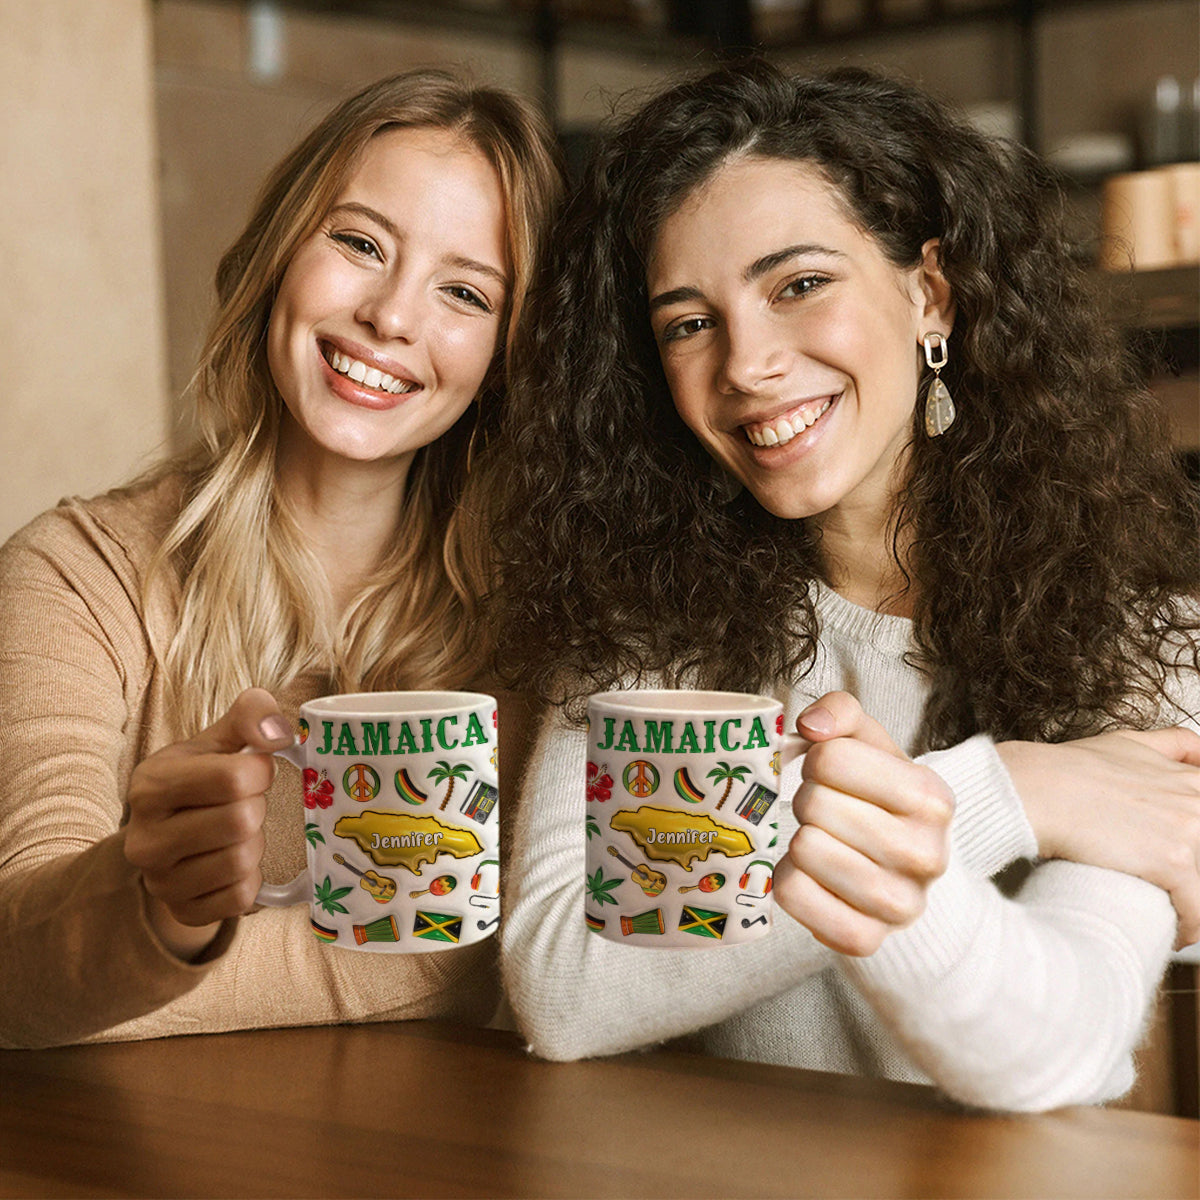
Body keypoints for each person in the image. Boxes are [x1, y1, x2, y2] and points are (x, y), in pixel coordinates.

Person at [488, 60, 1200, 1111]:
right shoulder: (644, 632)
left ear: (930, 295)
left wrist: (913, 810)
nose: (746, 363)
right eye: (689, 322)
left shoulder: (1144, 638)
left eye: (799, 285)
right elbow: (562, 990)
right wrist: (1006, 793)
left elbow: (1055, 1045)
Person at [0, 69, 563, 1048]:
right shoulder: (74, 575)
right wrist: (157, 910)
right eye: (358, 243)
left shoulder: (540, 622)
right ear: (277, 257)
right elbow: (18, 968)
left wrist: (145, 974)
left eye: (465, 292)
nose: (392, 316)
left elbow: (526, 944)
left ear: (508, 356)